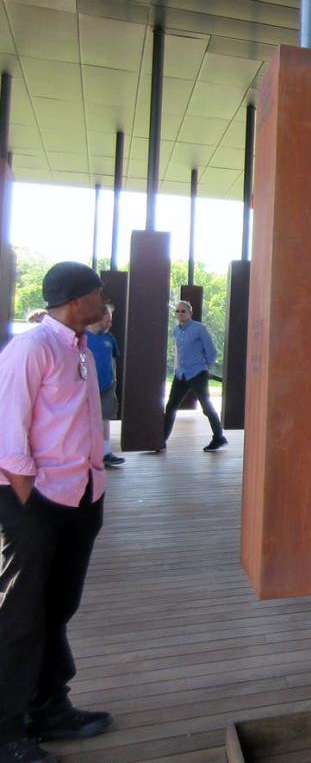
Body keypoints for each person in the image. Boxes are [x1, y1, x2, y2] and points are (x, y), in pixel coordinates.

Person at [0, 261, 114, 763]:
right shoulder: (31, 348)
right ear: (75, 300)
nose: (104, 300)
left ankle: (50, 707)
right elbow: (8, 432)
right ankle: (6, 730)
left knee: (57, 610)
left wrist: (92, 489)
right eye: (98, 293)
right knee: (20, 617)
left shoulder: (81, 347)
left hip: (81, 498)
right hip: (36, 503)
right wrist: (30, 503)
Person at [160, 301, 227, 453]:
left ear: (190, 313)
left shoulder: (199, 329)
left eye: (183, 311)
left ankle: (219, 437)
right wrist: (177, 368)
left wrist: (205, 367)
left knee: (206, 406)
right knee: (171, 406)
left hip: (197, 373)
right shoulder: (176, 331)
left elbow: (211, 351)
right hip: (181, 374)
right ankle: (161, 441)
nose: (180, 314)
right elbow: (178, 351)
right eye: (177, 311)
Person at [85, 306, 124, 468]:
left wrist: (113, 380)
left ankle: (106, 453)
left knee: (105, 418)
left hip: (107, 386)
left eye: (111, 320)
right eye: (107, 320)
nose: (110, 323)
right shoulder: (82, 337)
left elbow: (113, 360)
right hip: (86, 387)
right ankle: (86, 453)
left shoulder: (110, 338)